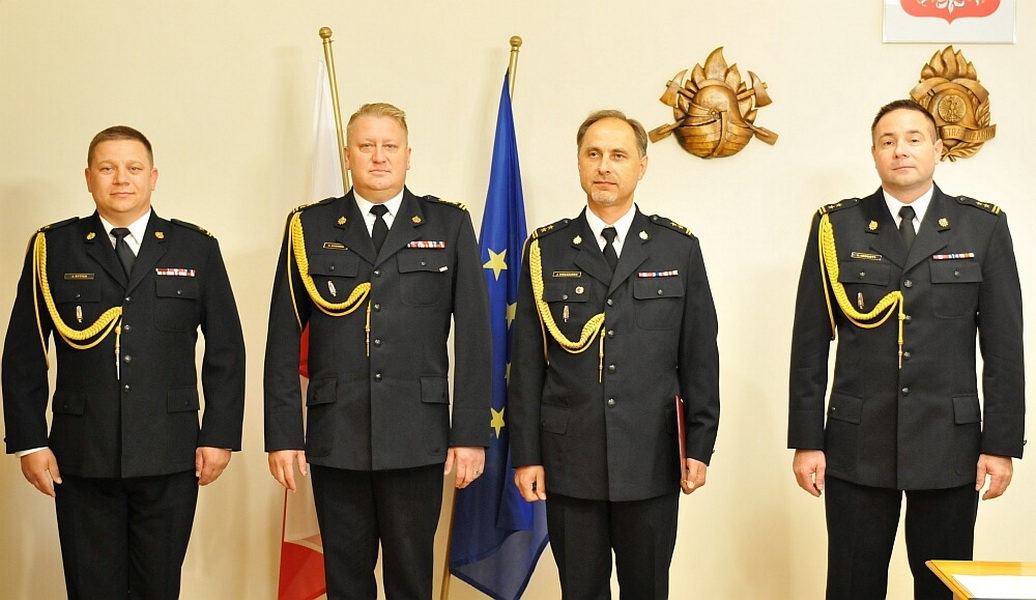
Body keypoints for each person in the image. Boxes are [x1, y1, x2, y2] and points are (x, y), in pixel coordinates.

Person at [789, 99, 1025, 599]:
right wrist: (807, 440)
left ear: (937, 148)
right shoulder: (837, 227)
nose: (901, 150)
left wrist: (1000, 445)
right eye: (888, 141)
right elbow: (809, 343)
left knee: (942, 586)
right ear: (874, 153)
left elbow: (1004, 348)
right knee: (852, 585)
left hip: (950, 444)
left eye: (914, 139)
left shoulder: (981, 227)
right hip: (857, 442)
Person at [1, 125, 246, 599]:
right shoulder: (53, 248)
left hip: (171, 451)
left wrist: (218, 435)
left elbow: (226, 351)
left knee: (158, 589)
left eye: (133, 168)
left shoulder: (195, 248)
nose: (121, 179)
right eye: (107, 168)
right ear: (88, 178)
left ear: (153, 177)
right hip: (81, 453)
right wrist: (29, 441)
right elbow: (23, 353)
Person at [264, 102, 492, 599]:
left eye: (390, 146)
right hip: (336, 434)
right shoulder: (309, 228)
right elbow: (282, 339)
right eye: (366, 146)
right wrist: (282, 435)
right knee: (346, 582)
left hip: (418, 434)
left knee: (411, 580)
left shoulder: (448, 224)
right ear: (348, 155)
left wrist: (471, 434)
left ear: (409, 155)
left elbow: (476, 337)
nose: (379, 157)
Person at [509, 109, 720, 598]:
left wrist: (699, 445)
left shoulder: (677, 248)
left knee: (647, 589)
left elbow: (699, 357)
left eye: (619, 155)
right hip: (569, 458)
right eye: (594, 154)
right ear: (579, 162)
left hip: (652, 456)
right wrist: (527, 455)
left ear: (641, 165)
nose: (604, 166)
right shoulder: (545, 250)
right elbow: (527, 364)